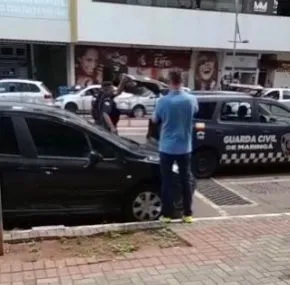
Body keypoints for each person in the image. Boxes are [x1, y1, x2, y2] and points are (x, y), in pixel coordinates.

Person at [152, 70, 199, 224]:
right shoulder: (191, 100)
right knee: (185, 180)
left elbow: (154, 120)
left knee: (167, 182)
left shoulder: (162, 101)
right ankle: (188, 214)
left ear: (169, 81)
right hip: (185, 147)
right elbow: (195, 112)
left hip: (166, 147)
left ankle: (166, 215)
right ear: (182, 81)